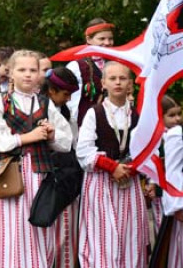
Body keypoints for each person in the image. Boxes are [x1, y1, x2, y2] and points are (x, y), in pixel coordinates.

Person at [0, 50, 73, 267]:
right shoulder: (0, 101)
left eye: (33, 70)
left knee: (38, 225)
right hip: (11, 174)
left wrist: (51, 134)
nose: (28, 74)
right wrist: (26, 138)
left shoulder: (45, 103)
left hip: (41, 175)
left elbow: (66, 141)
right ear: (11, 72)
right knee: (12, 228)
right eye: (22, 69)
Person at [76, 61, 148, 268]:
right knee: (101, 236)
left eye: (122, 78)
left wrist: (131, 167)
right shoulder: (95, 113)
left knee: (130, 234)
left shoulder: (138, 114)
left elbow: (147, 148)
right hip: (101, 183)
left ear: (130, 84)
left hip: (129, 182)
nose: (118, 82)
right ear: (103, 83)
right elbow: (83, 150)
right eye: (112, 78)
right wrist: (111, 166)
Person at [41, 66, 82, 268]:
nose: (68, 99)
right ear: (51, 90)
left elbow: (73, 142)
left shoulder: (65, 111)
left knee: (66, 232)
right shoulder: (40, 108)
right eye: (65, 94)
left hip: (67, 177)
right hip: (48, 177)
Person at [66, 18, 115, 125]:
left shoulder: (116, 64)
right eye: (102, 39)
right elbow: (71, 104)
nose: (107, 43)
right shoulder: (76, 67)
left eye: (110, 39)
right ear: (88, 39)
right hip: (85, 124)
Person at [157, 96, 183, 268]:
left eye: (179, 114)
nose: (177, 119)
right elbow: (172, 170)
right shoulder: (174, 135)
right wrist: (178, 205)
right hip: (172, 195)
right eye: (172, 115)